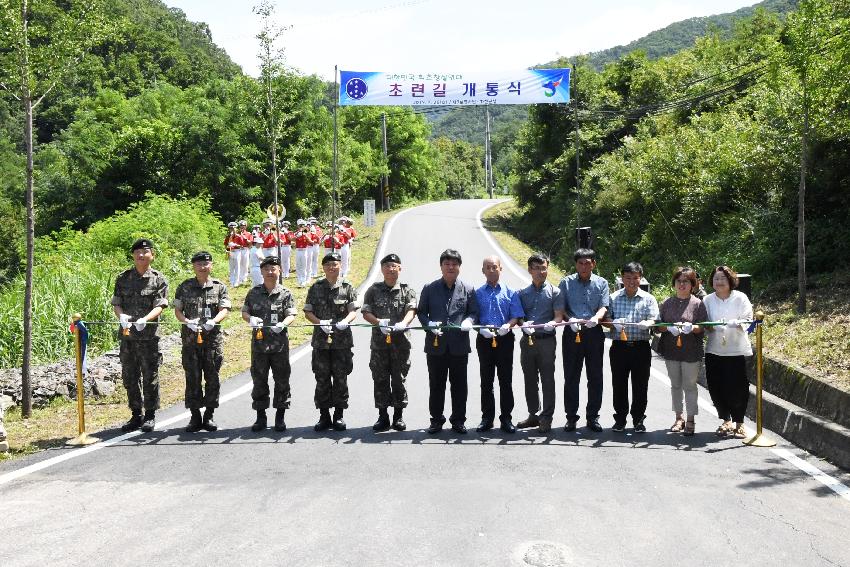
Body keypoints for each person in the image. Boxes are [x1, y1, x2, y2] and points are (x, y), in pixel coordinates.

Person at [417, 249, 479, 434]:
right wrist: (429, 325)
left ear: (459, 267)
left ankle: (458, 420)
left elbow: (473, 312)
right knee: (436, 384)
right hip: (436, 345)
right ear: (441, 266)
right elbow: (421, 312)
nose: (451, 267)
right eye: (447, 264)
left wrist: (469, 321)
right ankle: (436, 420)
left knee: (460, 385)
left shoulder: (468, 289)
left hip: (459, 345)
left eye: (454, 264)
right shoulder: (429, 288)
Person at [112, 238, 169, 432]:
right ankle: (136, 414)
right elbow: (116, 303)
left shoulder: (159, 279)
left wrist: (147, 318)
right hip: (128, 336)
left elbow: (161, 304)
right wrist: (121, 317)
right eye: (137, 252)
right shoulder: (123, 278)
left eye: (145, 252)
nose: (141, 255)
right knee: (129, 375)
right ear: (133, 256)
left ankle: (150, 415)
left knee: (149, 375)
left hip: (148, 336)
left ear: (152, 255)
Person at [173, 251, 231, 432]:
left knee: (212, 378)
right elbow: (177, 311)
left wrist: (215, 320)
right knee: (192, 378)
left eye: (206, 264)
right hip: (191, 341)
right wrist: (186, 322)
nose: (202, 267)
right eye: (199, 264)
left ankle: (209, 415)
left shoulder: (219, 286)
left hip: (212, 341)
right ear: (193, 266)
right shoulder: (184, 286)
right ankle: (195, 416)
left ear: (211, 265)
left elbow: (224, 309)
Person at [361, 253, 418, 431]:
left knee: (399, 379)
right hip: (379, 344)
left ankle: (398, 416)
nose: (391, 269)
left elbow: (412, 309)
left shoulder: (407, 290)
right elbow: (365, 311)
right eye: (387, 266)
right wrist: (378, 322)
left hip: (400, 344)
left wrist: (404, 323)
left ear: (400, 268)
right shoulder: (373, 290)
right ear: (382, 269)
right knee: (380, 379)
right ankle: (383, 416)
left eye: (394, 266)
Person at [304, 252, 360, 432]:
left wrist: (346, 321)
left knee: (341, 378)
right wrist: (319, 323)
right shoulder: (316, 287)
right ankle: (324, 416)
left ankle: (339, 415)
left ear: (340, 266)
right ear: (323, 268)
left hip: (342, 342)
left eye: (334, 264)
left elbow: (353, 310)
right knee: (321, 379)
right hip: (321, 342)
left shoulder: (347, 287)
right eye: (328, 264)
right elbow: (308, 311)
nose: (331, 267)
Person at [242, 256, 297, 432]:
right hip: (259, 345)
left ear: (279, 270)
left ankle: (280, 417)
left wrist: (283, 324)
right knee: (259, 381)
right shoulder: (254, 292)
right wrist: (250, 318)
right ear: (262, 271)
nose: (270, 272)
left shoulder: (286, 293)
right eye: (266, 269)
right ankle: (260, 417)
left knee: (282, 380)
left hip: (279, 346)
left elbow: (291, 314)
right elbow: (244, 312)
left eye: (273, 269)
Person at [559, 248, 610, 432]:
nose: (583, 266)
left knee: (595, 376)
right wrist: (569, 319)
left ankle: (592, 416)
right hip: (572, 332)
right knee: (571, 375)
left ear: (593, 264)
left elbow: (604, 306)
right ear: (575, 264)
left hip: (593, 332)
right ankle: (571, 417)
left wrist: (597, 317)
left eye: (587, 263)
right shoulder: (566, 282)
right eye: (580, 263)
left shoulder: (602, 283)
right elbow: (560, 307)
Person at [606, 262, 659, 433]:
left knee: (640, 385)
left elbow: (654, 319)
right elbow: (606, 320)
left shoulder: (648, 298)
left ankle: (638, 419)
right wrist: (613, 324)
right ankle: (620, 419)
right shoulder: (613, 297)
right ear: (622, 278)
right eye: (628, 278)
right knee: (619, 384)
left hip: (641, 347)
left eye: (635, 278)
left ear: (640, 278)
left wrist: (648, 324)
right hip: (619, 347)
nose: (631, 281)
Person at [474, 256, 524, 433]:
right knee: (486, 380)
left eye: (494, 267)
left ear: (501, 269)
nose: (491, 270)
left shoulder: (511, 292)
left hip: (504, 339)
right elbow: (473, 317)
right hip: (485, 339)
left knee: (505, 380)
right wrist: (480, 329)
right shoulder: (477, 293)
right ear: (483, 271)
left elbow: (516, 315)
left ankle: (506, 418)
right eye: (488, 267)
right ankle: (487, 418)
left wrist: (508, 325)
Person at [656, 266, 707, 436]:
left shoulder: (698, 304)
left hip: (691, 351)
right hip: (671, 350)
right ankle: (679, 417)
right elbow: (658, 327)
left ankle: (691, 419)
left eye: (686, 281)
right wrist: (668, 328)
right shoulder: (666, 303)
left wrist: (692, 328)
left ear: (693, 285)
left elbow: (703, 327)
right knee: (675, 385)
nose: (682, 284)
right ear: (674, 283)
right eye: (679, 281)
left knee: (690, 385)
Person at [703, 265, 753, 439]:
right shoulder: (707, 300)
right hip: (714, 350)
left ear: (730, 280)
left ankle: (740, 423)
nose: (719, 282)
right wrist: (710, 327)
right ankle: (726, 420)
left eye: (723, 278)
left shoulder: (741, 298)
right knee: (716, 386)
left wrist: (736, 323)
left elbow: (748, 320)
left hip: (736, 350)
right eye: (716, 279)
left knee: (738, 388)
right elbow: (704, 323)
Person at [517, 253, 564, 433]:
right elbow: (519, 317)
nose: (540, 271)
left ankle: (546, 417)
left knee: (547, 379)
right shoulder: (521, 293)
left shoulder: (555, 291)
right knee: (530, 379)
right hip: (527, 340)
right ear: (530, 270)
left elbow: (559, 316)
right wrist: (523, 325)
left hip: (546, 341)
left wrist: (554, 322)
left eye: (543, 268)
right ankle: (533, 415)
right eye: (536, 268)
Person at [224, 222, 245, 287]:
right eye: (231, 228)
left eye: (234, 228)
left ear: (236, 228)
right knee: (231, 267)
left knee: (237, 267)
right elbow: (226, 245)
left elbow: (242, 246)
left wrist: (235, 245)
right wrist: (227, 251)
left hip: (237, 251)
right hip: (230, 251)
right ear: (229, 229)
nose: (232, 229)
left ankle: (236, 282)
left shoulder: (239, 236)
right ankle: (231, 281)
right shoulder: (228, 236)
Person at [294, 220, 312, 287]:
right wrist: (297, 236)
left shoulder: (307, 233)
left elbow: (310, 241)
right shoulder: (296, 233)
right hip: (298, 250)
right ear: (298, 226)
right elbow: (292, 239)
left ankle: (303, 281)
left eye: (302, 225)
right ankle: (299, 280)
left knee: (304, 266)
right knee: (298, 266)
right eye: (300, 225)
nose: (301, 226)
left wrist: (305, 235)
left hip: (304, 250)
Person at [238, 220, 252, 286]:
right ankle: (239, 278)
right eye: (241, 226)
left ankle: (245, 277)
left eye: (243, 226)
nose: (242, 227)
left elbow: (250, 242)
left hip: (245, 249)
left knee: (245, 264)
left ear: (246, 226)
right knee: (239, 264)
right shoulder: (236, 233)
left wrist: (244, 237)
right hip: (238, 249)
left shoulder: (248, 234)